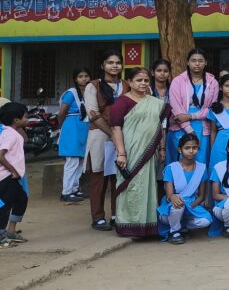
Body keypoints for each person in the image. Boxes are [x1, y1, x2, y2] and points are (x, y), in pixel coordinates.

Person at [109, 67, 170, 238]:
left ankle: (147, 226)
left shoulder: (155, 103)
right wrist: (121, 153)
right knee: (131, 187)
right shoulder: (122, 102)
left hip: (149, 153)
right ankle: (128, 225)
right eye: (138, 80)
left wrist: (162, 148)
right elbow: (115, 128)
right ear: (129, 82)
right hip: (130, 152)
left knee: (147, 187)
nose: (143, 83)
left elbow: (159, 128)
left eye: (145, 80)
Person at [84, 51, 125, 231]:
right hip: (100, 135)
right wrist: (112, 133)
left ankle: (118, 214)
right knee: (98, 177)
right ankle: (98, 217)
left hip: (122, 135)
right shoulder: (93, 86)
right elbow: (93, 115)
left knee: (119, 176)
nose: (114, 66)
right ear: (103, 66)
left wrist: (118, 136)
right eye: (110, 62)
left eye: (117, 63)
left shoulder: (126, 85)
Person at [157, 134, 213, 244]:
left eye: (194, 148)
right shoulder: (171, 168)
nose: (191, 151)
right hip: (173, 204)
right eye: (187, 148)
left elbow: (201, 196)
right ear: (180, 149)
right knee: (178, 206)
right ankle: (175, 231)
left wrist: (191, 206)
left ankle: (182, 225)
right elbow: (170, 195)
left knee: (206, 221)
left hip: (192, 205)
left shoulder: (202, 168)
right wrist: (174, 198)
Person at [168, 48, 218, 165]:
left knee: (201, 162)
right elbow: (176, 108)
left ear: (206, 62)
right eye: (193, 60)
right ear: (187, 62)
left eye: (200, 60)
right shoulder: (178, 81)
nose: (197, 63)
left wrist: (190, 116)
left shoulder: (213, 82)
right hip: (181, 127)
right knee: (180, 163)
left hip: (203, 127)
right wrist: (189, 130)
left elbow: (212, 109)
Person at [57, 68, 91, 203]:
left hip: (83, 127)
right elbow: (62, 113)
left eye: (86, 76)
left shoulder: (88, 93)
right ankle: (66, 192)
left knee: (80, 161)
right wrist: (63, 128)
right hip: (72, 127)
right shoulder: (71, 93)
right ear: (75, 79)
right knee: (72, 161)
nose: (84, 79)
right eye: (80, 76)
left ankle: (75, 189)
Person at [0, 102, 29, 246]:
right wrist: (12, 170)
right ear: (16, 120)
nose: (27, 119)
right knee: (4, 206)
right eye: (25, 117)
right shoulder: (10, 134)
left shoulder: (10, 132)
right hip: (6, 177)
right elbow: (0, 154)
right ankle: (1, 236)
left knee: (21, 199)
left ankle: (11, 231)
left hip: (11, 177)